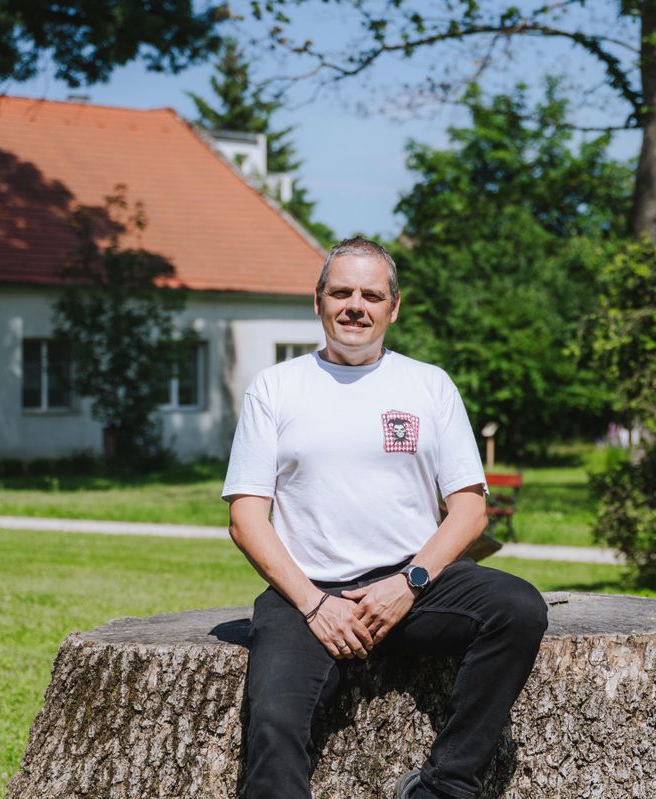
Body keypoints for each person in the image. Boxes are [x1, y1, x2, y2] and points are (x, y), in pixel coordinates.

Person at [222, 237, 548, 799]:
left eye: (371, 294)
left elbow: (469, 509)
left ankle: (446, 785)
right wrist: (314, 604)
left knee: (517, 610)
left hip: (411, 583)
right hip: (308, 593)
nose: (355, 305)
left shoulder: (428, 385)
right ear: (318, 301)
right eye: (341, 292)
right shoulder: (276, 387)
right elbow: (246, 518)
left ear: (393, 307)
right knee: (274, 723)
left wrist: (409, 583)